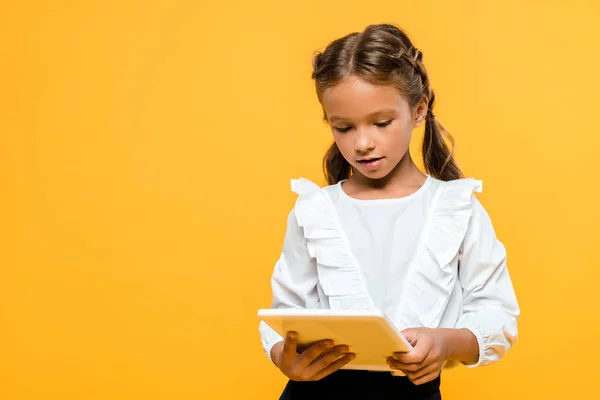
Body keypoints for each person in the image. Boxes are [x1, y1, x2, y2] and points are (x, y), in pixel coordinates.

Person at [258, 23, 520, 400]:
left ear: (418, 110)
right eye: (343, 127)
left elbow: (496, 313)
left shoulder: (456, 210)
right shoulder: (315, 210)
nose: (363, 143)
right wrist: (284, 355)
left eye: (381, 123)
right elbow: (286, 313)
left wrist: (445, 343)